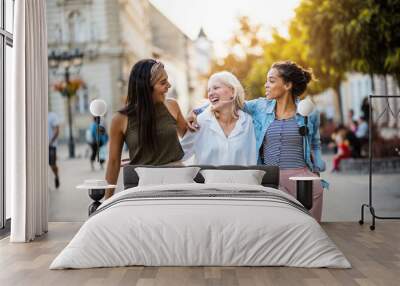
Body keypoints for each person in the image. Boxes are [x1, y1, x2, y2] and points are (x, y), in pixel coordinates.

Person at [189, 61, 326, 222]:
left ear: (287, 85)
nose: (266, 85)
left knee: (311, 227)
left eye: (271, 81)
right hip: (271, 179)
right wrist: (195, 112)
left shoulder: (308, 112)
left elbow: (316, 143)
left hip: (302, 178)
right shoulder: (260, 107)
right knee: (277, 227)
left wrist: (316, 169)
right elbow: (231, 101)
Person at [105, 59, 188, 199]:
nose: (169, 85)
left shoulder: (172, 106)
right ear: (145, 87)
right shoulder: (120, 119)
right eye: (162, 82)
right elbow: (113, 162)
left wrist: (199, 116)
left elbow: (191, 138)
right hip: (142, 188)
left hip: (178, 183)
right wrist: (106, 201)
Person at [180, 71, 256, 165]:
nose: (210, 93)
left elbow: (252, 160)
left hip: (239, 179)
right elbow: (179, 155)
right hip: (207, 180)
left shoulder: (247, 121)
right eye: (209, 90)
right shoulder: (200, 121)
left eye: (216, 88)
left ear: (233, 91)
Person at [48, 111, 60, 188]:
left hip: (51, 146)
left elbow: (57, 130)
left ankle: (56, 176)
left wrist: (50, 142)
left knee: (53, 165)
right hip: (41, 146)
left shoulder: (52, 116)